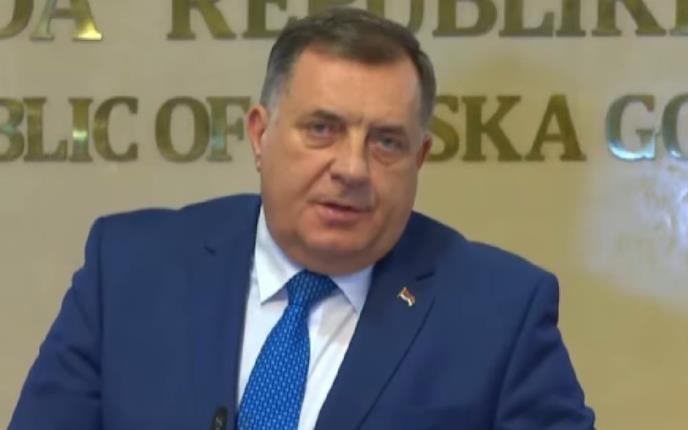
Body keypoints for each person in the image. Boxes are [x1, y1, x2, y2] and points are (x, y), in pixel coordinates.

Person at [9, 7, 595, 430]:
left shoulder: (499, 312)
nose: (352, 168)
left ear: (418, 159)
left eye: (386, 142)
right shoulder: (130, 270)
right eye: (322, 129)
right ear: (259, 134)